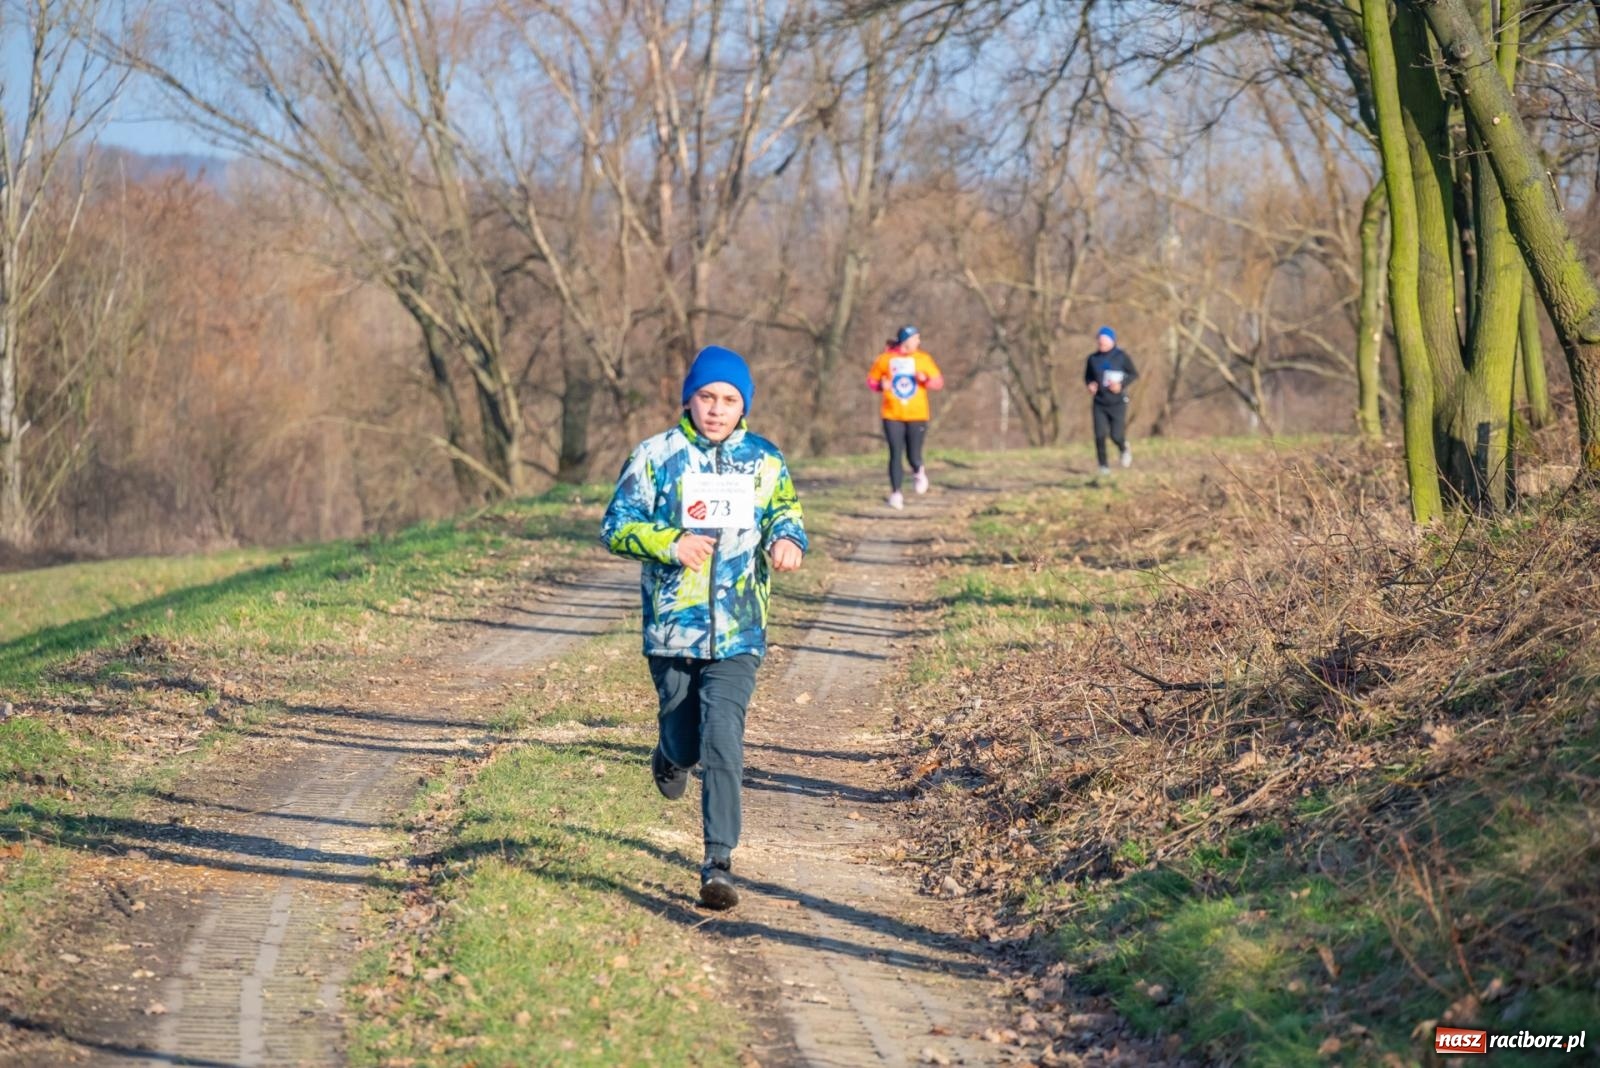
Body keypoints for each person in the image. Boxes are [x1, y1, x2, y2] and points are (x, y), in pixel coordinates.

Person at [600, 345, 807, 910]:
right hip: (671, 628)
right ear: (689, 398)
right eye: (707, 397)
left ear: (745, 406)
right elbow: (616, 525)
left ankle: (718, 861)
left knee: (723, 738)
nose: (717, 409)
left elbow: (784, 511)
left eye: (730, 399)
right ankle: (669, 753)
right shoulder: (655, 456)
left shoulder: (764, 460)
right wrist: (671, 543)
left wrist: (787, 540)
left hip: (740, 629)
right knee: (687, 741)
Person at [866, 325, 945, 509]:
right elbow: (871, 380)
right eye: (916, 338)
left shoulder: (923, 359)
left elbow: (938, 382)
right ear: (905, 340)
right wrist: (880, 385)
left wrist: (925, 379)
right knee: (895, 453)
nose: (918, 341)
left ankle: (918, 470)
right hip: (892, 413)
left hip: (917, 414)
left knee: (913, 454)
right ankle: (896, 493)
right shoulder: (886, 359)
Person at [1084, 326, 1138, 476]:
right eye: (1099, 341)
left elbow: (1133, 374)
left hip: (1118, 402)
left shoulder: (1121, 356)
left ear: (1112, 341)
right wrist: (1090, 385)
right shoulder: (1092, 359)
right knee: (1100, 434)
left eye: (1104, 341)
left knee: (1116, 435)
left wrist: (1121, 385)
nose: (1101, 344)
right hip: (1099, 402)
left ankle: (1123, 448)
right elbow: (1088, 377)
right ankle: (1103, 466)